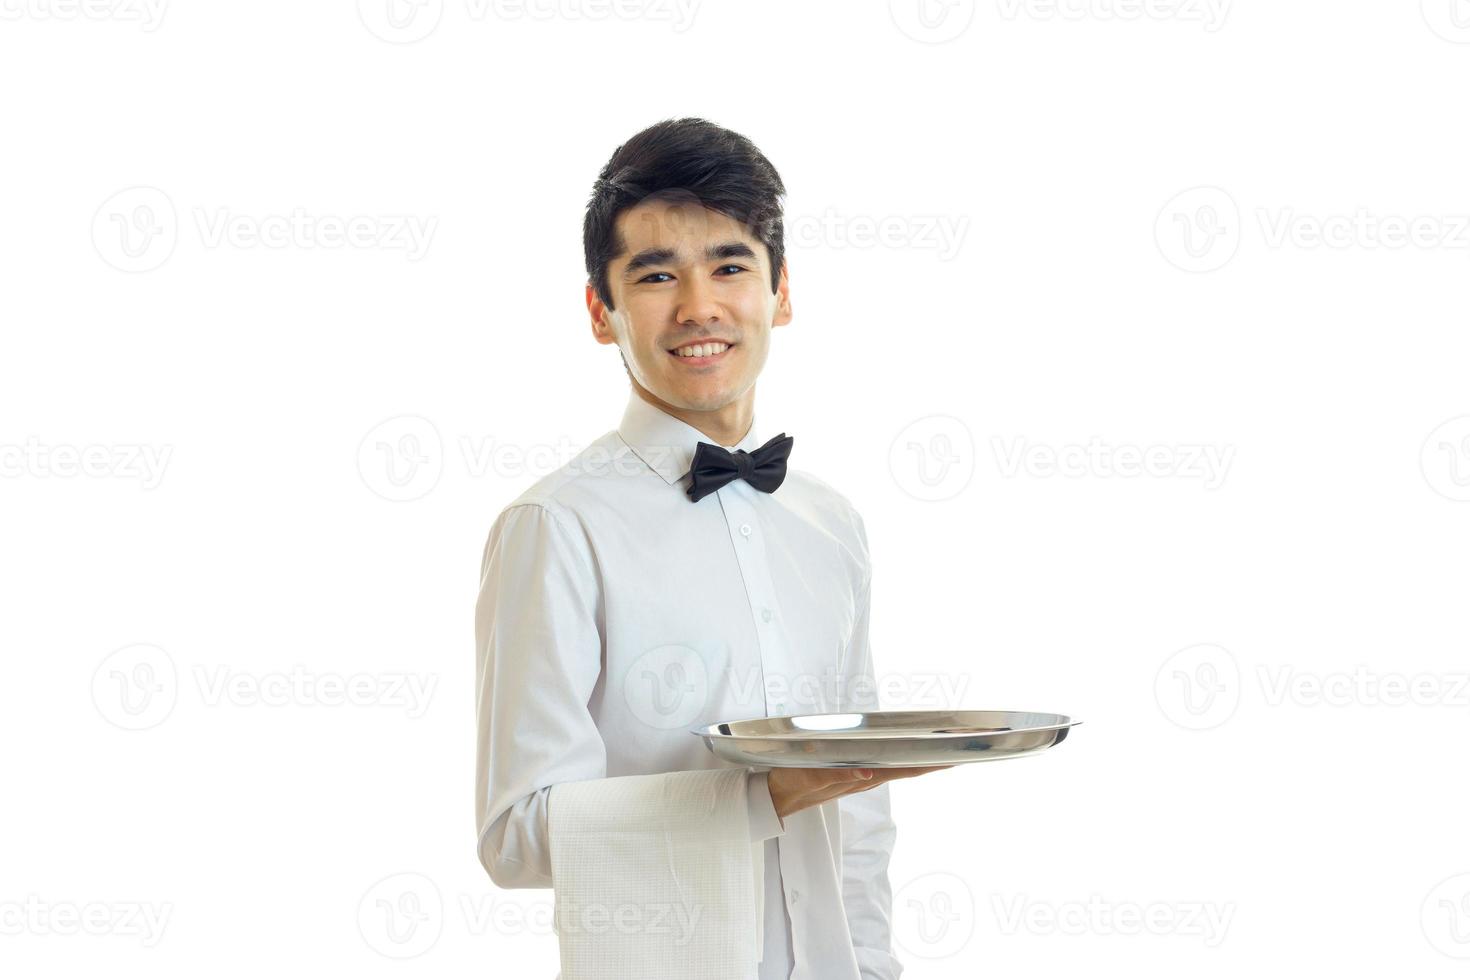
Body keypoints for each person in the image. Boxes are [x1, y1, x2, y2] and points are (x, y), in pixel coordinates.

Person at [474, 117, 951, 980]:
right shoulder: (556, 525)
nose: (699, 307)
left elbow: (862, 823)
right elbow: (516, 835)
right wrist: (757, 800)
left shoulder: (830, 523)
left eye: (730, 265)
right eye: (656, 275)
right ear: (600, 310)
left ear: (782, 293)